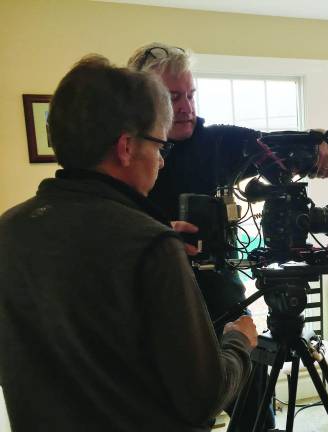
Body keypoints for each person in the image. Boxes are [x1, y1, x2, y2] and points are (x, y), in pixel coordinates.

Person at [0, 55, 257, 432]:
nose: (162, 162)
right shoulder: (151, 244)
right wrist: (238, 343)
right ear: (125, 148)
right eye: (158, 146)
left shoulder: (10, 229)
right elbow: (204, 395)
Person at [127, 43, 328, 431]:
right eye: (174, 97)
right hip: (157, 302)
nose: (187, 105)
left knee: (254, 411)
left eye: (191, 94)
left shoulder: (218, 141)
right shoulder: (127, 154)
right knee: (185, 413)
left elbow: (274, 147)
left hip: (222, 293)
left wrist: (318, 143)